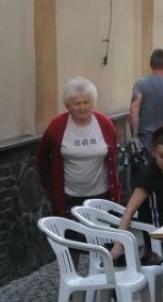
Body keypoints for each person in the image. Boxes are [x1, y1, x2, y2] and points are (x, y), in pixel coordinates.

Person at [37, 77, 122, 218]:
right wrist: (49, 185)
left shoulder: (105, 124)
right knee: (73, 237)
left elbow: (113, 154)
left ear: (92, 103)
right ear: (68, 105)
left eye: (86, 102)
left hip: (102, 195)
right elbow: (43, 157)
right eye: (77, 103)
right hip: (69, 196)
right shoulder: (57, 126)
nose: (82, 108)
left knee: (102, 237)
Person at [110, 126, 163, 266]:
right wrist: (118, 244)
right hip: (157, 239)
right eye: (161, 156)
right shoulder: (149, 176)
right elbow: (129, 211)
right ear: (153, 152)